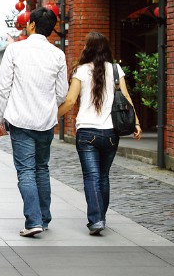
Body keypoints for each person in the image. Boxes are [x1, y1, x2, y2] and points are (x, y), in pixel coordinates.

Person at [0, 8, 68, 237]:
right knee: (41, 169)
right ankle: (43, 219)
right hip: (45, 122)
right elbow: (62, 92)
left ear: (32, 25)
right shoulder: (57, 55)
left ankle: (33, 220)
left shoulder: (15, 50)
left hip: (20, 120)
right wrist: (46, 106)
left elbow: (3, 88)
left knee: (26, 170)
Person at [58, 31, 142, 235]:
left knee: (91, 177)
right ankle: (100, 218)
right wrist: (136, 123)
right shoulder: (115, 69)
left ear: (87, 49)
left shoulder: (80, 71)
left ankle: (97, 220)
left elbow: (70, 101)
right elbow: (127, 98)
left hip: (87, 133)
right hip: (111, 133)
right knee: (103, 177)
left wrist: (52, 117)